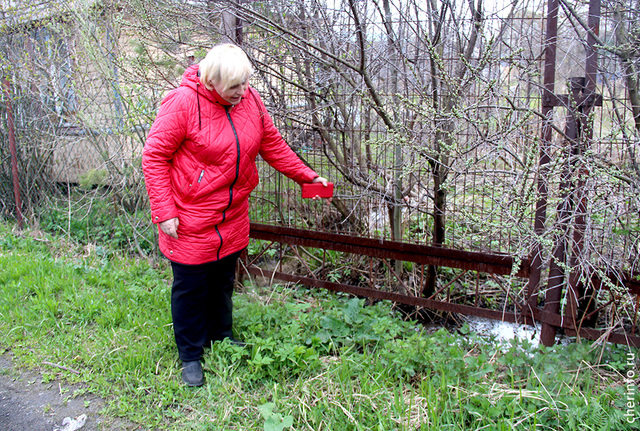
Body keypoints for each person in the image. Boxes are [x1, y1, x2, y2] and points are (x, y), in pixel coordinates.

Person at [142, 43, 329, 387]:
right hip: (189, 216)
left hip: (232, 213)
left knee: (223, 283)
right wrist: (163, 211)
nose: (243, 92)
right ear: (212, 82)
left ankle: (221, 336)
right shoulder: (183, 103)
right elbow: (154, 157)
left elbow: (272, 144)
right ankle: (191, 356)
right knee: (191, 288)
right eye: (234, 87)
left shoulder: (250, 101)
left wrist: (307, 175)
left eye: (246, 83)